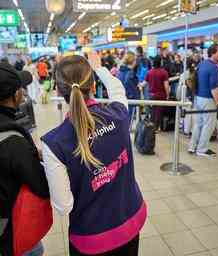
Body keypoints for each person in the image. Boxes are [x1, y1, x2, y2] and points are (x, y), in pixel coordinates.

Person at [41, 53, 146, 256]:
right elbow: (117, 89)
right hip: (130, 222)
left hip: (91, 238)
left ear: (58, 90)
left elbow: (63, 206)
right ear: (94, 86)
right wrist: (100, 69)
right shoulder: (119, 114)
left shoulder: (54, 143)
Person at [0, 63, 49, 255]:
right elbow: (41, 186)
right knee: (35, 250)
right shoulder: (13, 140)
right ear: (15, 95)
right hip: (9, 234)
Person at [189, 44, 218, 157]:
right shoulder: (214, 68)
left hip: (198, 97)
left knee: (198, 123)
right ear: (212, 53)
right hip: (208, 100)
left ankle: (192, 146)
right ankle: (202, 149)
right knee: (208, 125)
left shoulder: (202, 63)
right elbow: (214, 88)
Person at [141, 56, 170, 130]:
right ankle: (156, 128)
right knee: (159, 112)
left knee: (153, 111)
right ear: (160, 62)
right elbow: (166, 86)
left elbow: (144, 84)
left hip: (151, 95)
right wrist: (167, 95)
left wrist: (139, 85)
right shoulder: (164, 72)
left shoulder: (149, 72)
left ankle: (152, 126)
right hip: (161, 95)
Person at [118, 52, 140, 123]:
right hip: (129, 101)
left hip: (120, 101)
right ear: (132, 61)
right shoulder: (131, 74)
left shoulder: (120, 72)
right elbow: (131, 89)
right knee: (128, 123)